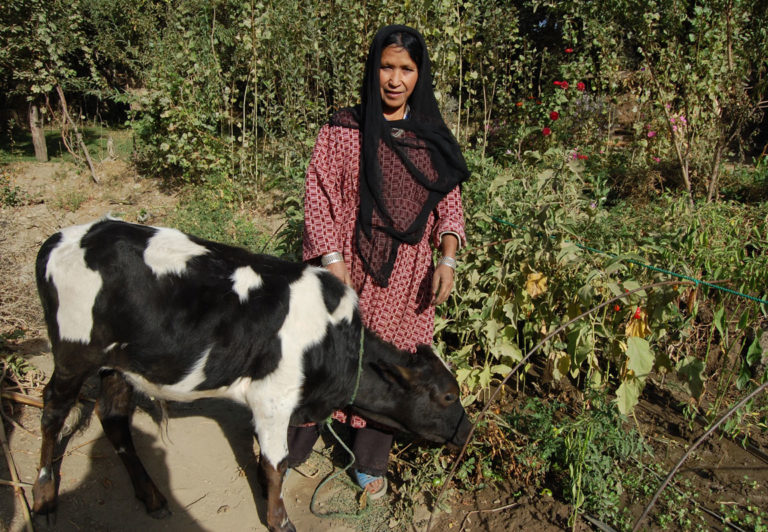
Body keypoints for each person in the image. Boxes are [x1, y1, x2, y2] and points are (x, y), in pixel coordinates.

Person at [288, 24, 469, 499]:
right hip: (343, 266)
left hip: (405, 280)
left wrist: (447, 259)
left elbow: (448, 203)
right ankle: (292, 447)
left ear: (419, 74)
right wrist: (330, 259)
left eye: (405, 69)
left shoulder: (431, 138)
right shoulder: (342, 130)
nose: (394, 79)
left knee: (393, 368)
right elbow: (318, 195)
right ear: (373, 69)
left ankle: (369, 460)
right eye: (386, 66)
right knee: (327, 353)